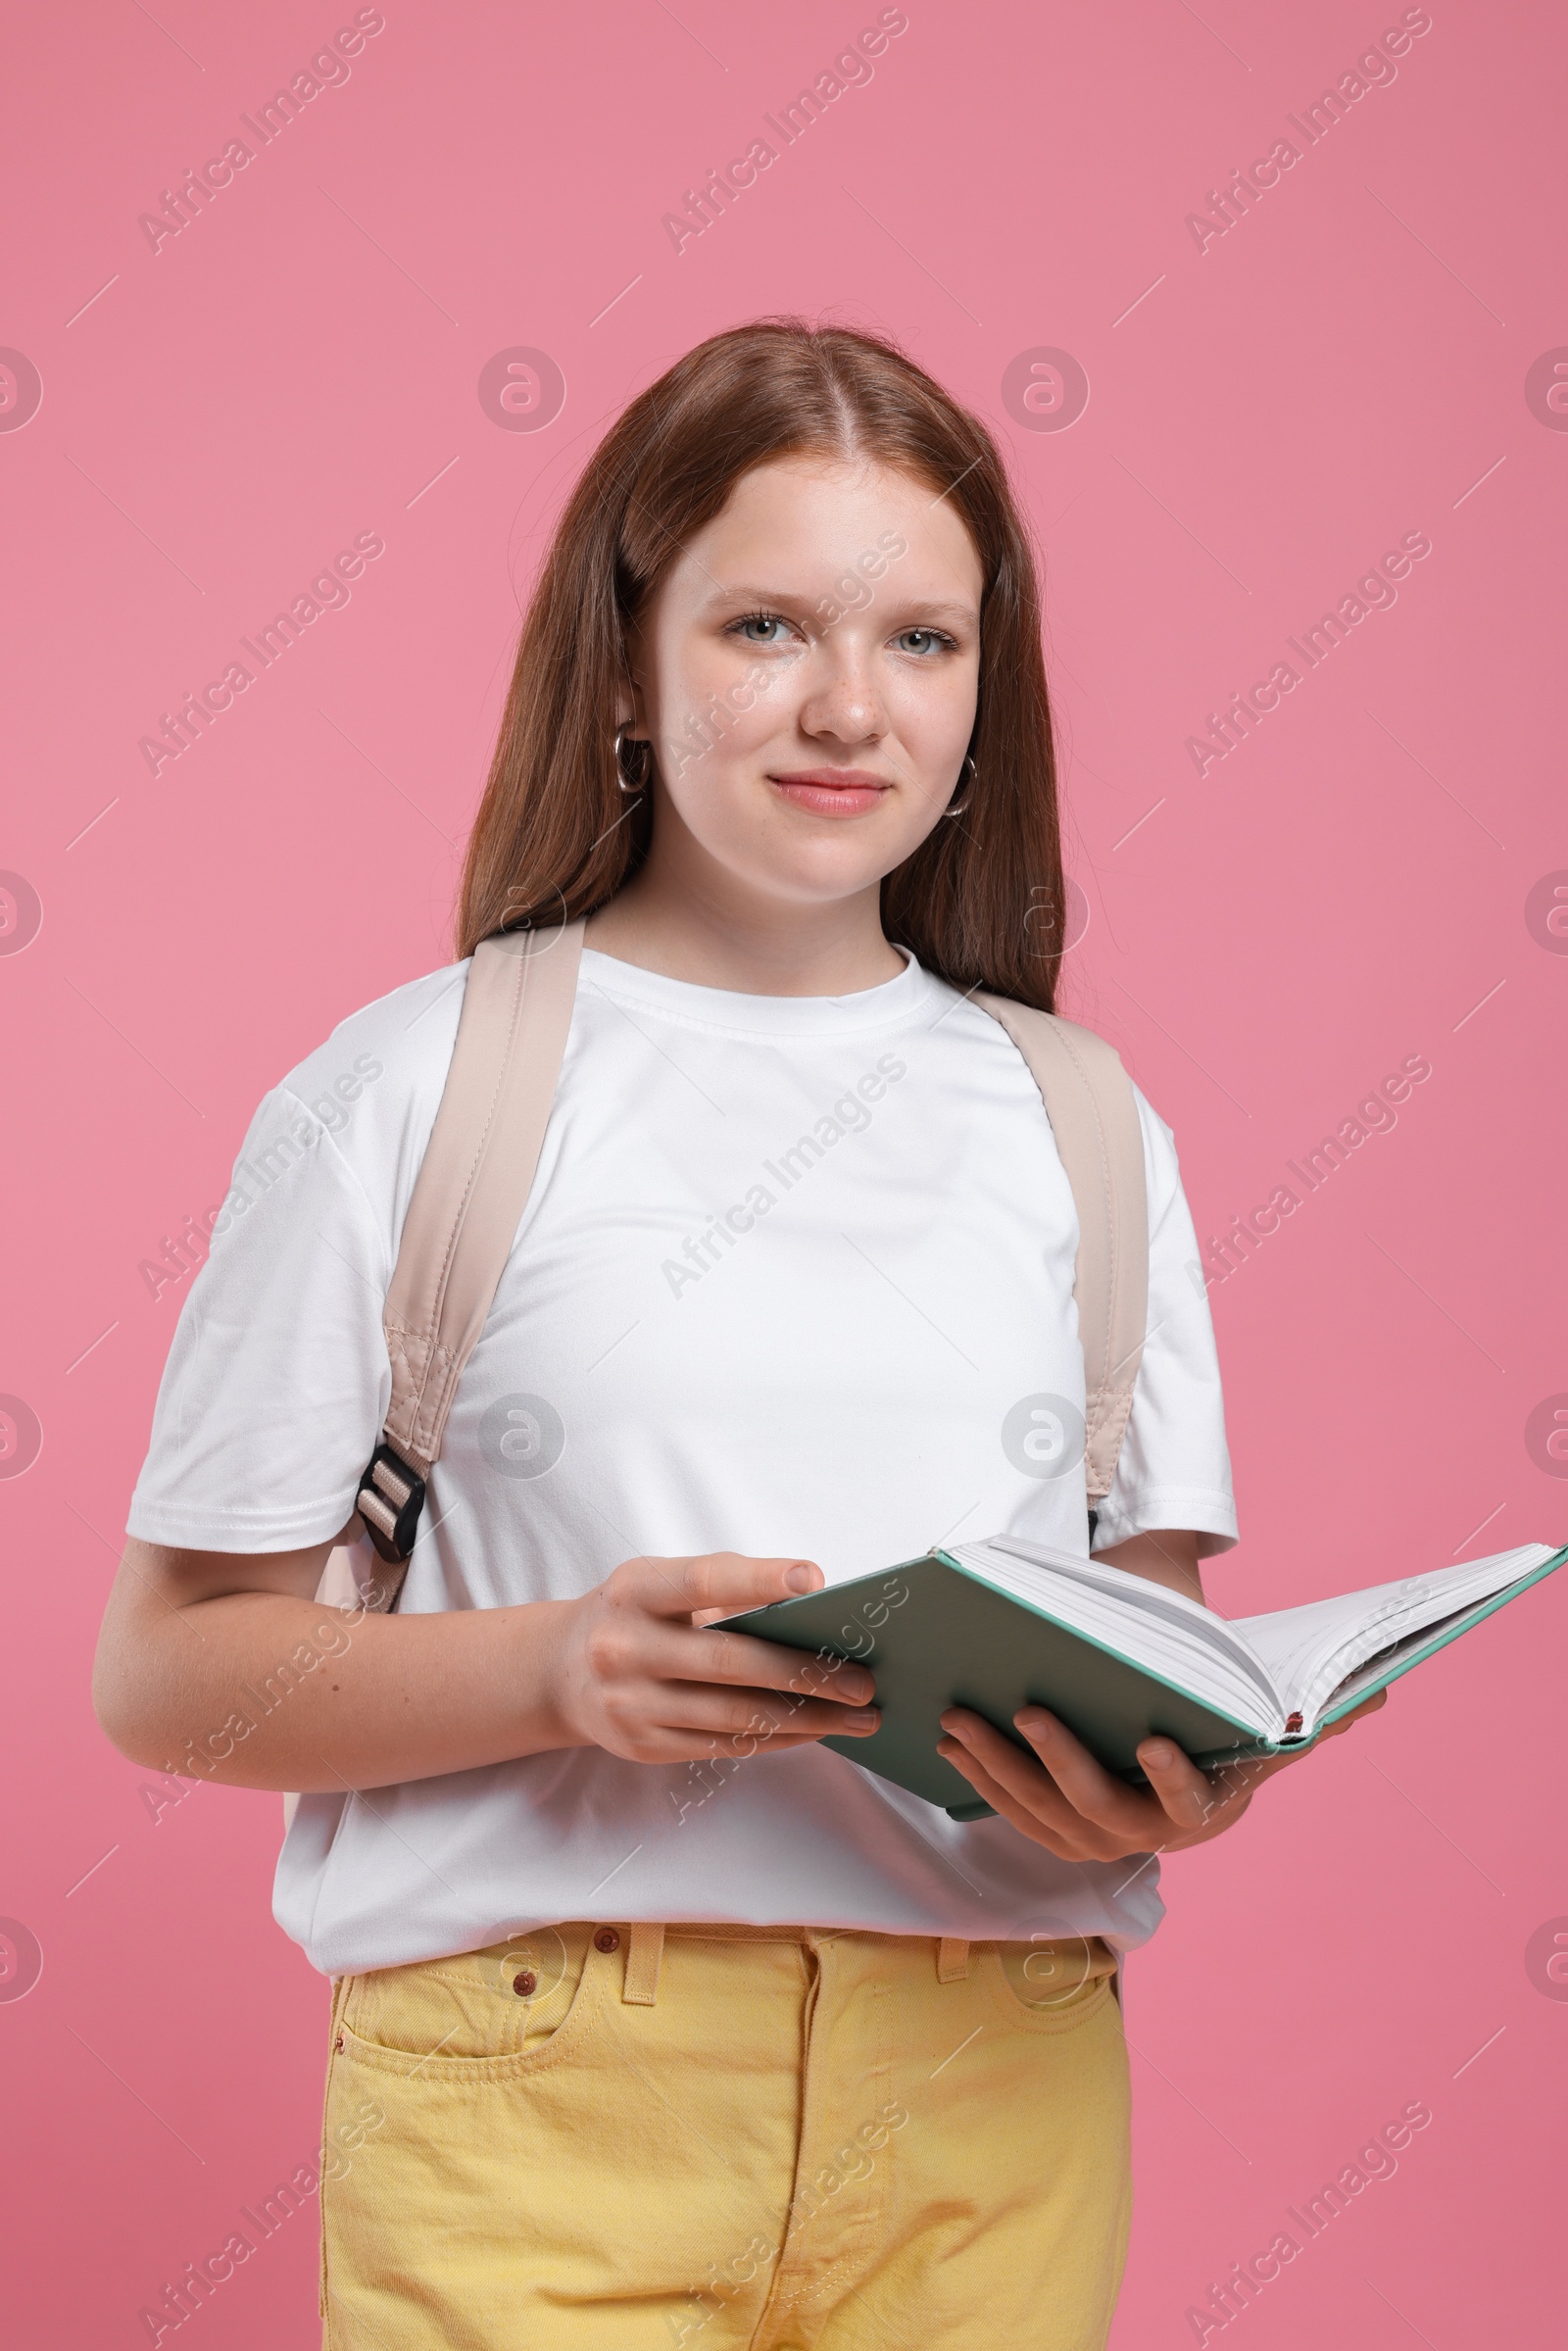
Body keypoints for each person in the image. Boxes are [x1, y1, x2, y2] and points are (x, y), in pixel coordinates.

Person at [93, 318, 1381, 2351]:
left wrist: (1170, 1780)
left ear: (985, 688)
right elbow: (166, 1675)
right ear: (624, 657)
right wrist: (554, 1668)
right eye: (764, 626)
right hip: (537, 2090)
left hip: (998, 2097)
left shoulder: (1079, 1123)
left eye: (923, 644)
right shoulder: (409, 1091)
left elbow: (1156, 1640)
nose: (847, 709)